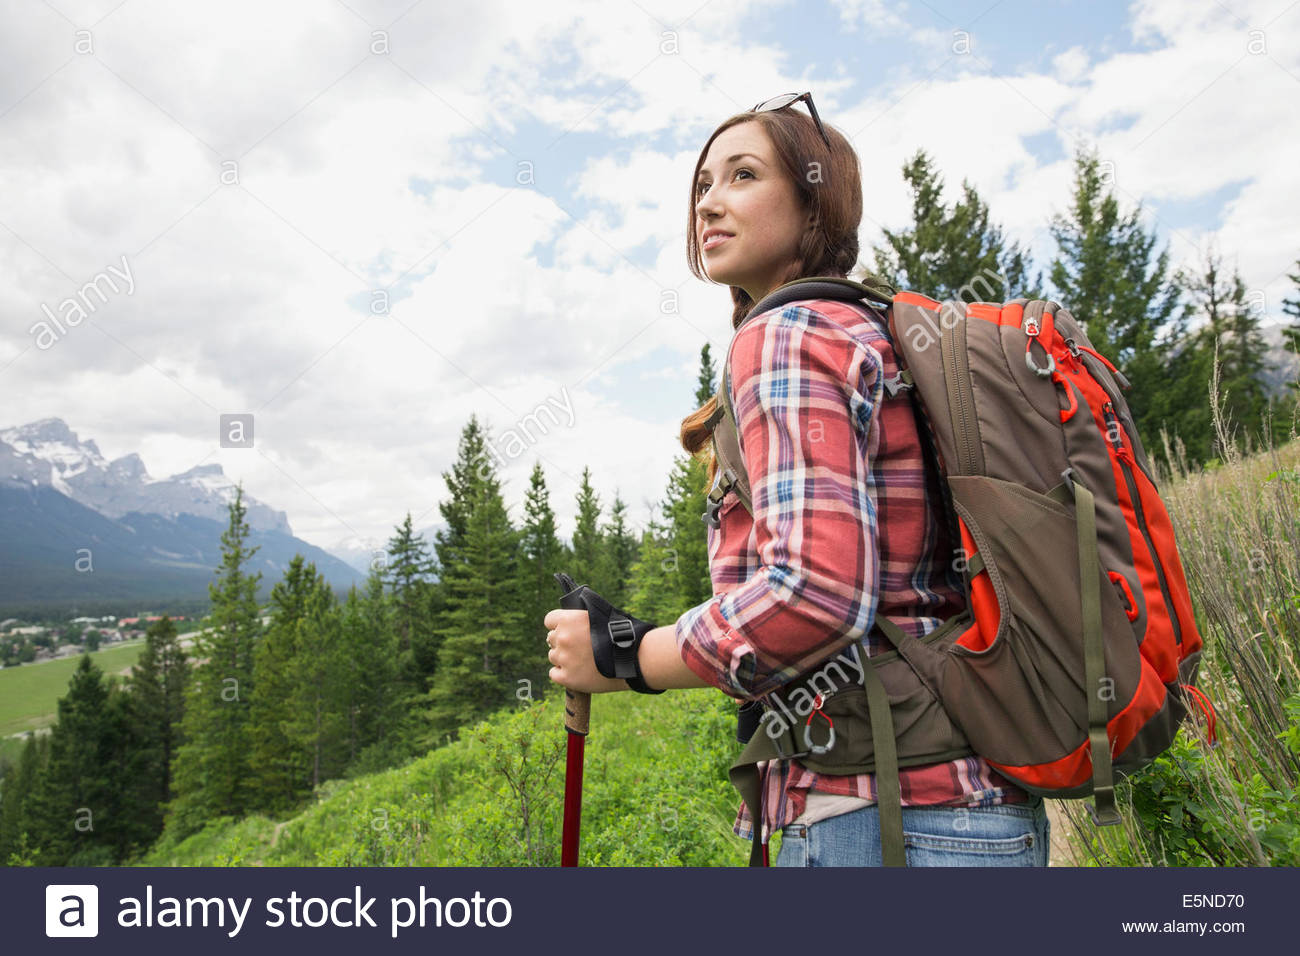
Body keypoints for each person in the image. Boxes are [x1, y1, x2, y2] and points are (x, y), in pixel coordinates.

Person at [544, 92, 1050, 867]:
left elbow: (813, 594)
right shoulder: (871, 330)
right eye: (703, 185)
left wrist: (629, 657)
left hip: (883, 818)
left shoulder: (784, 337)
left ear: (815, 202)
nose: (710, 202)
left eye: (743, 176)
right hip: (975, 809)